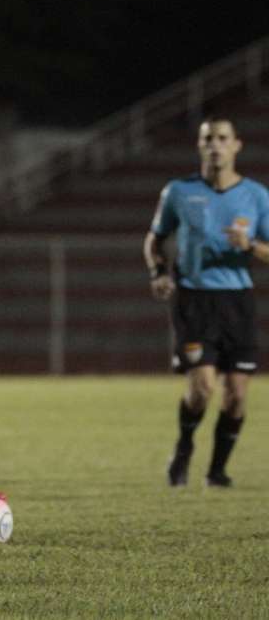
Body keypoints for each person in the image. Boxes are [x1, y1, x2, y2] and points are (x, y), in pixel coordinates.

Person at [144, 116, 269, 488]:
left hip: (237, 301)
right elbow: (154, 239)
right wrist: (159, 273)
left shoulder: (257, 196)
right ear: (200, 146)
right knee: (202, 388)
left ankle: (217, 471)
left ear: (236, 145)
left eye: (222, 138)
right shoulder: (178, 192)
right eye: (208, 138)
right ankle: (183, 450)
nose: (215, 144)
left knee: (235, 397)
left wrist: (249, 246)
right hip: (193, 299)